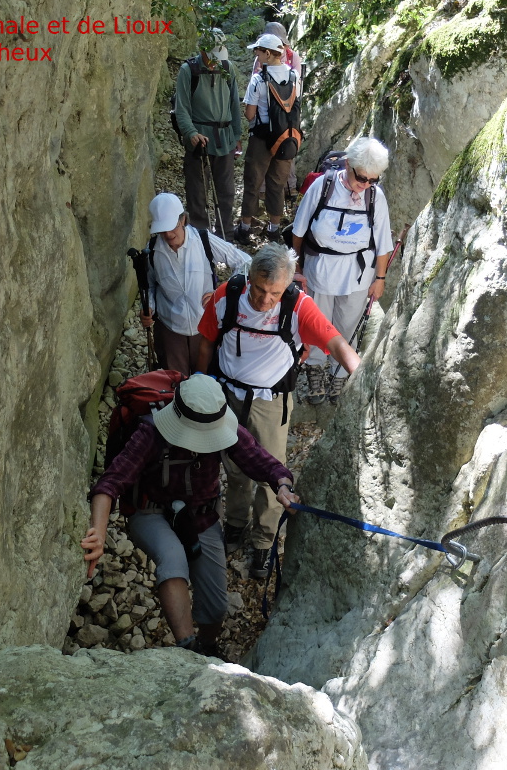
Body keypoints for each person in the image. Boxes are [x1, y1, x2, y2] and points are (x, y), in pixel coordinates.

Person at [82, 374, 300, 656]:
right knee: (172, 559)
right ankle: (188, 650)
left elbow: (263, 462)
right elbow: (110, 483)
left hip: (202, 514)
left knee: (217, 603)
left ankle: (208, 646)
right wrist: (97, 533)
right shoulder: (150, 433)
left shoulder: (221, 424)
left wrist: (282, 486)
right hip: (150, 511)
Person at [197, 242, 361, 578]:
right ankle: (235, 524)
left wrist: (361, 376)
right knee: (235, 469)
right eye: (259, 288)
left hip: (271, 402)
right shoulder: (226, 296)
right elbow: (206, 340)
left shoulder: (299, 306)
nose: (265, 299)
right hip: (228, 396)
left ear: (286, 286)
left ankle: (263, 543)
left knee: (273, 474)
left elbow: (335, 342)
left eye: (275, 292)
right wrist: (200, 383)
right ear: (249, 276)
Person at [290, 137, 393, 405]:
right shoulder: (322, 187)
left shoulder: (375, 197)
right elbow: (298, 231)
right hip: (319, 269)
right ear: (348, 165)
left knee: (347, 326)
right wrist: (296, 265)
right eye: (361, 178)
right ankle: (315, 369)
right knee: (317, 324)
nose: (366, 184)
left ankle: (338, 374)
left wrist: (379, 278)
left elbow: (383, 243)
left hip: (358, 274)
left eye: (373, 180)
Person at [141, 193, 251, 375]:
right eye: (162, 230)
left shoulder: (203, 240)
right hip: (171, 329)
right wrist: (149, 307)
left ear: (183, 219)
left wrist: (224, 293)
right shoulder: (152, 249)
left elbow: (245, 263)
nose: (168, 234)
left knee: (206, 383)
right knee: (175, 385)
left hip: (206, 326)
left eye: (172, 227)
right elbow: (150, 284)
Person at [173, 29, 242, 237]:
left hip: (225, 139)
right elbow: (181, 108)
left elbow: (234, 104)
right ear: (202, 50)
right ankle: (200, 237)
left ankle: (225, 235)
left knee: (226, 192)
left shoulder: (228, 68)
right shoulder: (188, 71)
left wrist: (237, 135)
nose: (215, 63)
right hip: (198, 141)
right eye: (212, 58)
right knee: (197, 193)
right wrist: (191, 132)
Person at [234, 32, 299, 245]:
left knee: (252, 182)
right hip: (286, 139)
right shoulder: (294, 76)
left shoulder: (258, 79)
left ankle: (244, 229)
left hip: (261, 139)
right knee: (277, 184)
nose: (256, 54)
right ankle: (273, 230)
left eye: (259, 51)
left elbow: (250, 114)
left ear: (269, 54)